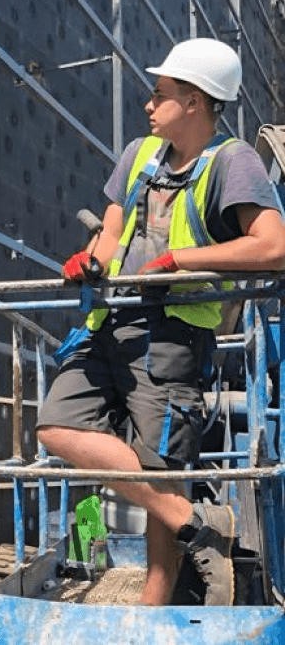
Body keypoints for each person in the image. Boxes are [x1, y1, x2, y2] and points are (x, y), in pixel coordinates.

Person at [36, 38, 285, 606]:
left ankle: (153, 609)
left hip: (172, 334)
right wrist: (91, 260)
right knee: (55, 425)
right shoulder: (140, 153)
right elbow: (111, 231)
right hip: (108, 321)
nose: (149, 105)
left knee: (160, 463)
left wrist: (182, 260)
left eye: (161, 94)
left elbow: (273, 246)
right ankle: (196, 522)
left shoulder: (232, 162)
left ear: (195, 101)